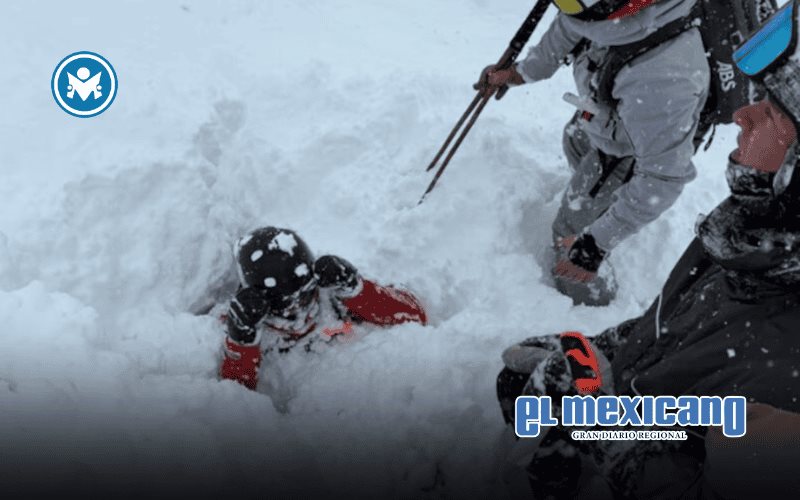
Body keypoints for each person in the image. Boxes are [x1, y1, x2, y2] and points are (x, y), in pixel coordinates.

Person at [496, 1, 800, 496]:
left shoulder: (785, 392)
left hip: (636, 443)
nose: (742, 114)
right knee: (517, 388)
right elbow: (683, 334)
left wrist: (596, 421)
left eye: (770, 112)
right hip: (640, 399)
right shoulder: (755, 241)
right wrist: (606, 352)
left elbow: (678, 482)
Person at [476, 0, 710, 305]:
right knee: (574, 140)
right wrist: (518, 73)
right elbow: (569, 25)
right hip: (604, 120)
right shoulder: (599, 10)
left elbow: (662, 179)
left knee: (570, 233)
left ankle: (589, 306)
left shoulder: (663, 77)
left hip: (628, 151)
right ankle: (606, 206)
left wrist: (595, 244)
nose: (567, 6)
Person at [219, 226, 427, 390]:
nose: (298, 309)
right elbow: (234, 399)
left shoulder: (332, 292)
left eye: (306, 295)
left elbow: (415, 315)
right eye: (283, 306)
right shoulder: (244, 321)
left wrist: (357, 290)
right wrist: (241, 342)